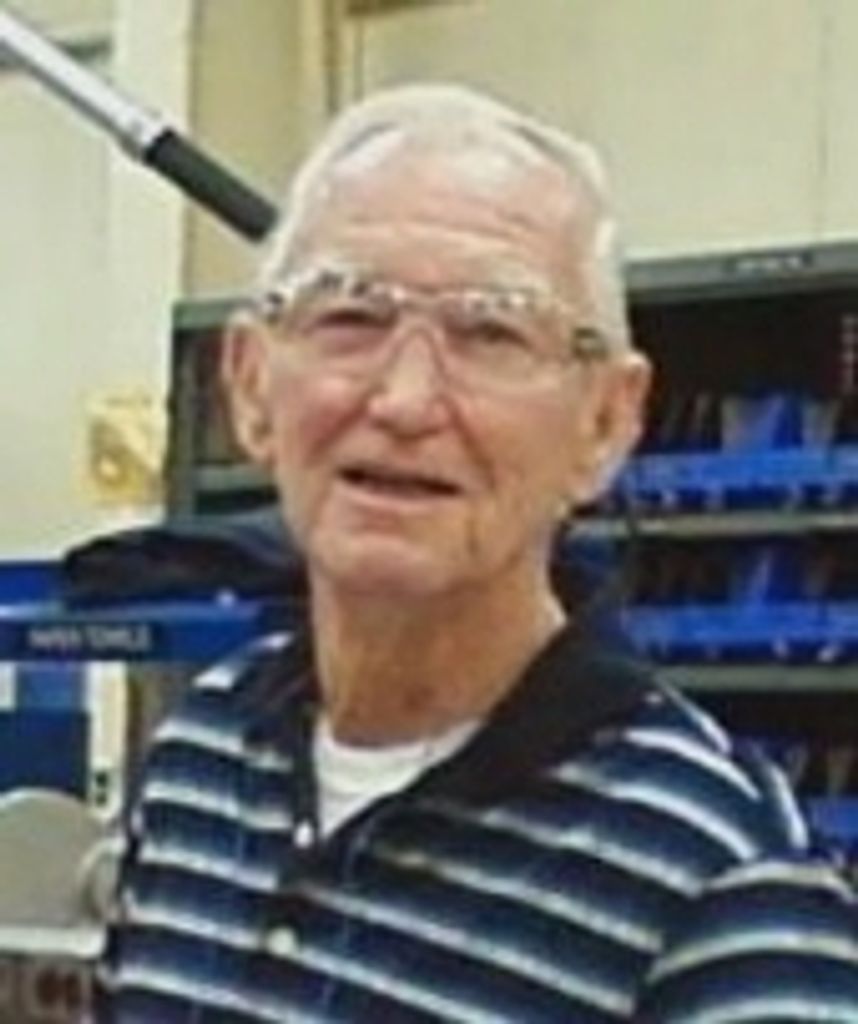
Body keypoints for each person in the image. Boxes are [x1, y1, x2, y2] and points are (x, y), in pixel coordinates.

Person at [98, 83, 858, 1022]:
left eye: (492, 331)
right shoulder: (199, 762)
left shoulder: (724, 890)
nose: (405, 400)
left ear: (605, 423)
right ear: (250, 386)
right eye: (351, 316)